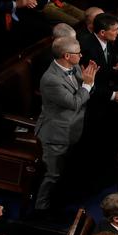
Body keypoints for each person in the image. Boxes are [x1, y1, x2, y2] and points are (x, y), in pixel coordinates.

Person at [33, 36, 96, 216]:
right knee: (51, 175)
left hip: (73, 129)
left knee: (64, 173)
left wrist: (89, 81)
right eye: (78, 53)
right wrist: (88, 84)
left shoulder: (75, 66)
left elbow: (85, 89)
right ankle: (40, 211)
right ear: (67, 55)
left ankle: (58, 204)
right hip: (55, 133)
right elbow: (75, 102)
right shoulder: (50, 79)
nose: (81, 55)